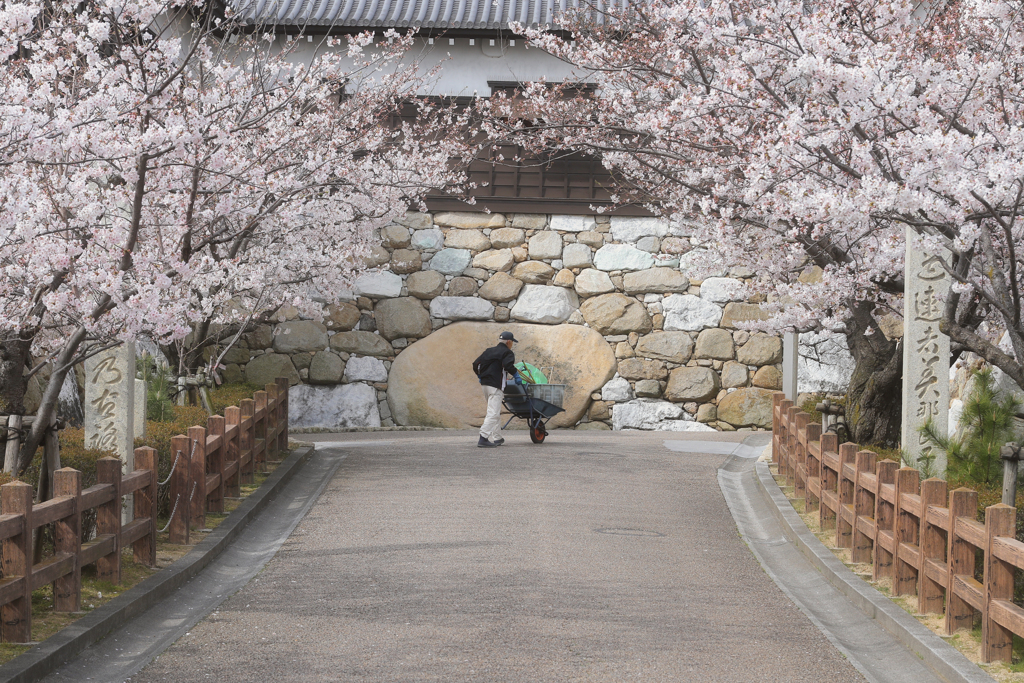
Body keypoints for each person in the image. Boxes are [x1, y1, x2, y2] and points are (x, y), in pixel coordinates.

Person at [472, 331, 521, 447]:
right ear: (509, 342)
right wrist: (516, 375)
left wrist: (480, 375)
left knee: (494, 411)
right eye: (512, 342)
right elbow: (508, 365)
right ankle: (483, 437)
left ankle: (497, 437)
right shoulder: (507, 352)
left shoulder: (489, 351)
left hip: (485, 385)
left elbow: (475, 364)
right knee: (493, 412)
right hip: (495, 386)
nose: (512, 344)